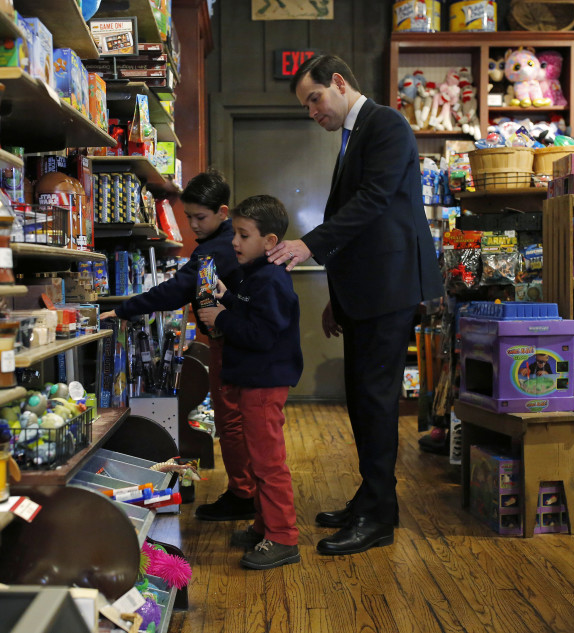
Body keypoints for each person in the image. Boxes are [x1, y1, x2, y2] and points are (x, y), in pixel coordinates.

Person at [268, 54, 443, 556]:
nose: (312, 112)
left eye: (315, 98)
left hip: (389, 288)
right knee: (364, 401)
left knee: (376, 403)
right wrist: (337, 299)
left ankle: (380, 517)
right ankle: (369, 499)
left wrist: (308, 245)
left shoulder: (384, 123)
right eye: (306, 105)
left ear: (339, 83)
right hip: (367, 289)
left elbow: (372, 201)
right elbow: (357, 215)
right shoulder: (356, 131)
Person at [98, 169, 256, 523]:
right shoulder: (221, 244)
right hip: (230, 342)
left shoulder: (216, 250)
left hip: (230, 344)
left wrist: (123, 309)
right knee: (234, 420)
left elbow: (174, 292)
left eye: (200, 217)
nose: (193, 225)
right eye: (188, 218)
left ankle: (243, 494)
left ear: (223, 212)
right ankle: (244, 491)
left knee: (232, 420)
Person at [197, 194, 303, 570]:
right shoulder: (255, 275)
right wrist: (229, 302)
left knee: (268, 463)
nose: (235, 242)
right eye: (235, 234)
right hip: (252, 380)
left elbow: (261, 334)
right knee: (259, 461)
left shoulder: (271, 280)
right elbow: (254, 316)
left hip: (263, 383)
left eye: (243, 235)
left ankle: (283, 537)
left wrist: (221, 319)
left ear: (270, 242)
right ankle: (264, 526)